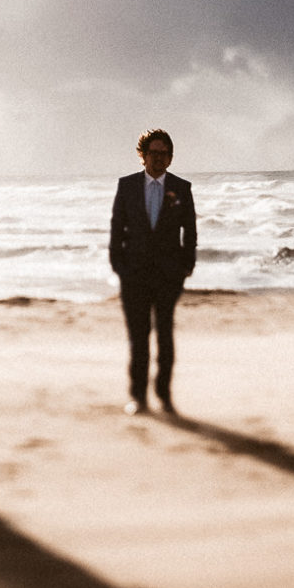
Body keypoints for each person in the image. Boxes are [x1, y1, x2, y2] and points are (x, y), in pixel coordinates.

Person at [108, 128, 195, 415]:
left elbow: (190, 232)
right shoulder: (127, 186)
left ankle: (164, 395)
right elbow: (117, 227)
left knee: (165, 336)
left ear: (170, 159)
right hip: (134, 274)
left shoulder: (181, 188)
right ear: (143, 156)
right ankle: (139, 397)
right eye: (153, 153)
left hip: (169, 275)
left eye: (164, 154)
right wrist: (119, 266)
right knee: (138, 336)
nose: (158, 158)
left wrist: (186, 266)